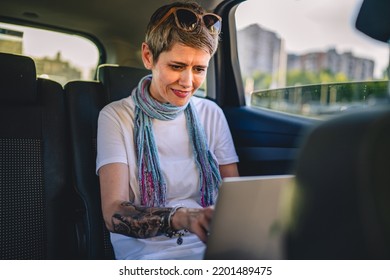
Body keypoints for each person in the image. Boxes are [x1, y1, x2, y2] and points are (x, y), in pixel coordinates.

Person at [96, 1, 239, 260]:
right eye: (176, 66)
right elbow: (113, 213)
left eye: (198, 69)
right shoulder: (116, 116)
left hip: (213, 245)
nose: (187, 82)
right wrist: (182, 217)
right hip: (150, 253)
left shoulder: (212, 114)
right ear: (149, 56)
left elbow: (235, 194)